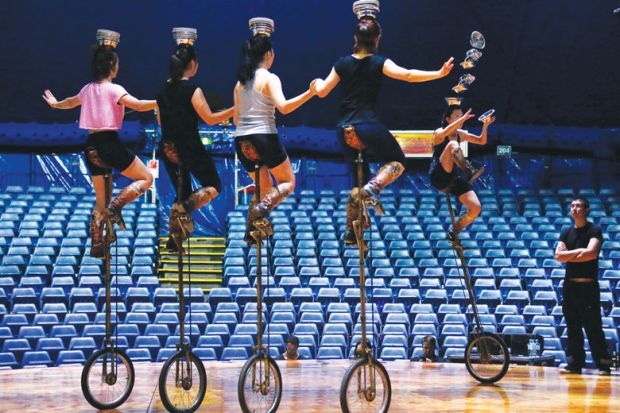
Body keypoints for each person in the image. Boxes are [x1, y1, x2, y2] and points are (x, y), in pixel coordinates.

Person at [310, 14, 453, 247]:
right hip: (367, 124)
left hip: (344, 129)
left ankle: (351, 231)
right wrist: (438, 73)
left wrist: (316, 85)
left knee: (358, 182)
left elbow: (323, 91)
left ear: (355, 38)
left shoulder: (342, 63)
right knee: (397, 160)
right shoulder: (379, 62)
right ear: (378, 39)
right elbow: (407, 75)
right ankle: (374, 188)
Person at [42, 30, 157, 257]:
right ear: (112, 67)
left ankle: (97, 243)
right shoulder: (115, 89)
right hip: (110, 142)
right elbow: (140, 105)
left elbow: (69, 103)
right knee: (146, 178)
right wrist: (160, 102)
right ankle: (117, 207)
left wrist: (55, 104)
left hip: (91, 146)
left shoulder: (87, 89)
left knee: (99, 202)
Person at [233, 19, 315, 245]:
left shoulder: (240, 83)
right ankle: (259, 211)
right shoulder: (269, 78)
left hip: (242, 140)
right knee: (288, 182)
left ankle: (251, 227)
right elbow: (285, 107)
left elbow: (236, 119)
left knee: (263, 188)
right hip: (264, 135)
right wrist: (310, 93)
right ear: (268, 54)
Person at [156, 29, 234, 251]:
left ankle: (174, 238)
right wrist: (232, 109)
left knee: (181, 190)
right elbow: (209, 119)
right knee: (214, 185)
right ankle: (185, 208)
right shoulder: (192, 88)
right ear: (191, 64)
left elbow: (161, 122)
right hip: (188, 145)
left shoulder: (162, 91)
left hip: (168, 146)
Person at [555, 197, 612, 375]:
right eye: (572, 205)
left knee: (593, 326)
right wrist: (579, 252)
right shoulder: (566, 231)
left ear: (586, 209)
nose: (574, 208)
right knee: (572, 326)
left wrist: (570, 255)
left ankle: (603, 365)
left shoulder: (594, 230)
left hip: (588, 288)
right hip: (570, 287)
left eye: (578, 206)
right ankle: (574, 364)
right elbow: (558, 256)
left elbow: (591, 253)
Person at [428, 99, 494, 244]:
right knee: (452, 144)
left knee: (476, 208)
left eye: (462, 116)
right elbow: (446, 132)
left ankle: (454, 230)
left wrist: (485, 125)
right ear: (448, 119)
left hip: (453, 177)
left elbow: (481, 141)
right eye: (457, 116)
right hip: (438, 175)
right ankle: (470, 171)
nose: (461, 118)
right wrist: (463, 120)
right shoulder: (440, 132)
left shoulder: (460, 134)